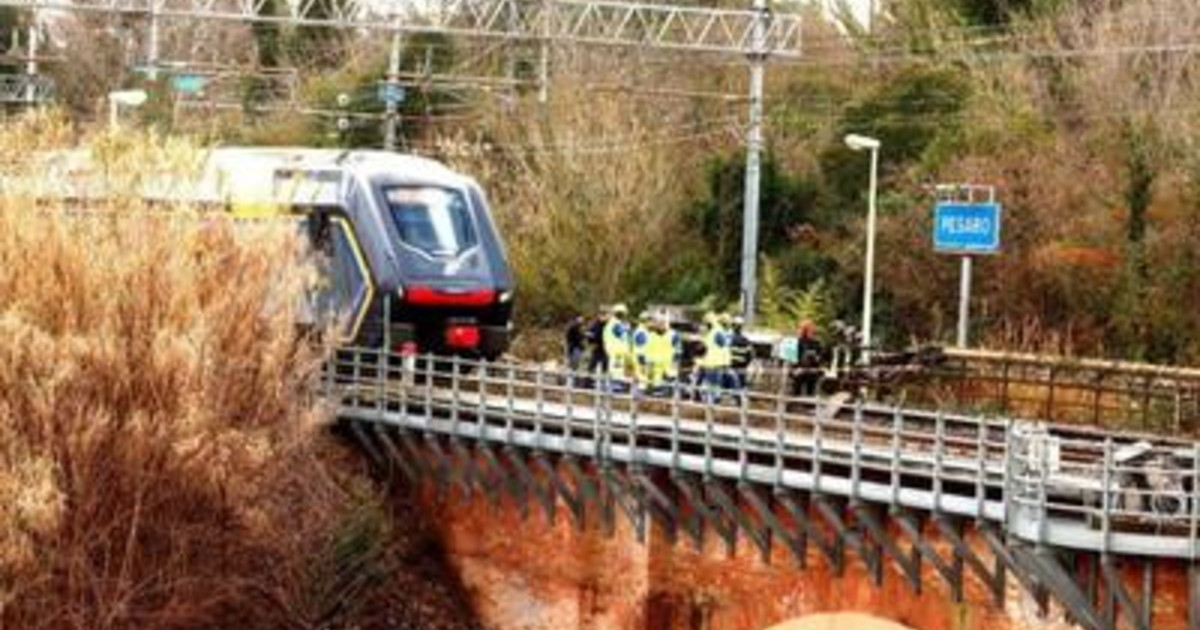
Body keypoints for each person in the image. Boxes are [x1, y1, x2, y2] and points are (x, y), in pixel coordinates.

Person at [790, 319, 825, 397]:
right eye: (807, 330)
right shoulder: (795, 342)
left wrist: (816, 358)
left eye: (811, 330)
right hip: (798, 371)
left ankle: (809, 405)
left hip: (812, 371)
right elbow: (791, 359)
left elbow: (820, 358)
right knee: (796, 390)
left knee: (810, 392)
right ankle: (795, 404)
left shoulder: (817, 343)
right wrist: (795, 368)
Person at [602, 303, 632, 391]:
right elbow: (622, 335)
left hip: (615, 351)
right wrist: (627, 328)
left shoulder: (611, 324)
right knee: (616, 370)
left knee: (616, 369)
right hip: (617, 351)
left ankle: (615, 384)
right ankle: (615, 385)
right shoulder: (616, 324)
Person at [729, 314, 753, 391]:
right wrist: (745, 364)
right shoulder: (745, 341)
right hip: (742, 367)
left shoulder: (729, 339)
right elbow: (750, 355)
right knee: (740, 387)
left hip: (730, 367)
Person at [565, 315, 586, 383]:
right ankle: (572, 381)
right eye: (581, 319)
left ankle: (573, 380)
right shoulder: (574, 327)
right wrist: (584, 335)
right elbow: (577, 337)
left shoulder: (576, 327)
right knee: (573, 365)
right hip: (574, 348)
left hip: (574, 348)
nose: (582, 320)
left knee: (574, 365)